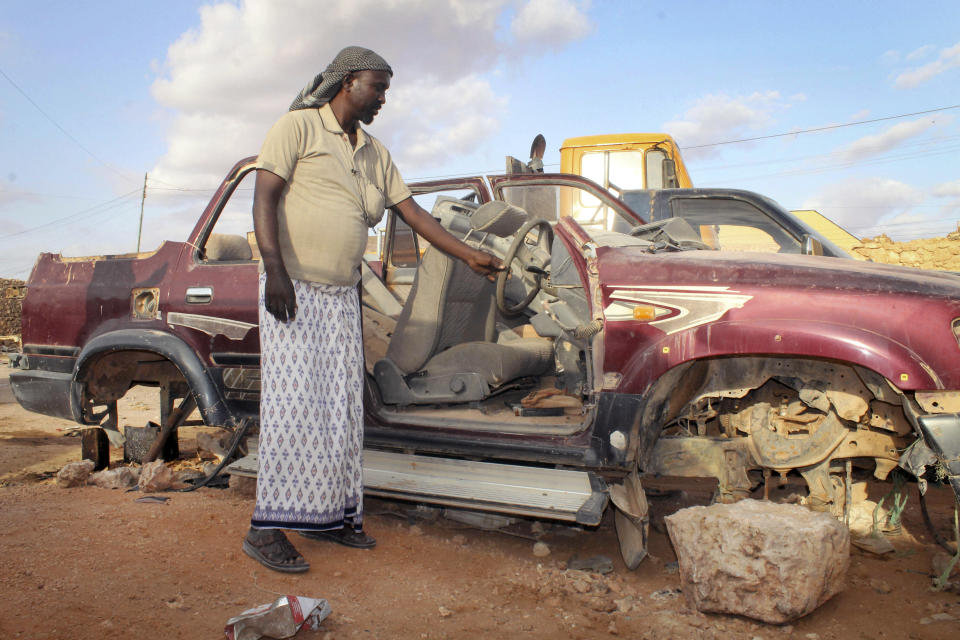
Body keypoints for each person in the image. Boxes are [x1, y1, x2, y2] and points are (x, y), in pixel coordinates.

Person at [242, 46, 503, 573]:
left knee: (341, 411)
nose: (383, 98)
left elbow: (414, 214)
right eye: (376, 87)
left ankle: (334, 517)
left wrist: (469, 254)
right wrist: (274, 270)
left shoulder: (375, 152)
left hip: (341, 296)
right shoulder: (297, 128)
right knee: (295, 410)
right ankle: (264, 530)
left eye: (386, 89)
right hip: (294, 290)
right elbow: (263, 198)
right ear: (345, 83)